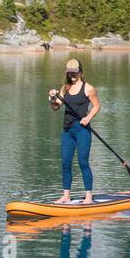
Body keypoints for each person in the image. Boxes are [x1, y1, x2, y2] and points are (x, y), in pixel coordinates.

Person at [48, 59, 101, 205]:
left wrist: (88, 117)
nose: (72, 75)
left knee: (83, 162)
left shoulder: (88, 88)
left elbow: (97, 106)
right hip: (67, 131)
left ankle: (88, 197)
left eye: (74, 72)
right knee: (65, 163)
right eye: (69, 72)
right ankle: (66, 196)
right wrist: (52, 98)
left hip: (82, 130)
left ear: (80, 72)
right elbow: (55, 107)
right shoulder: (65, 88)